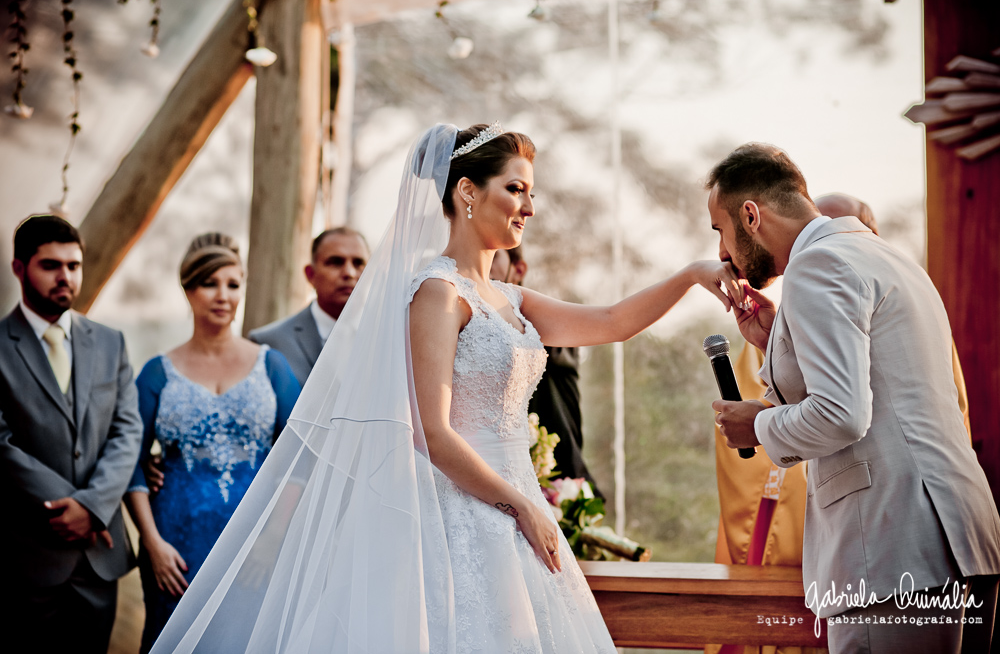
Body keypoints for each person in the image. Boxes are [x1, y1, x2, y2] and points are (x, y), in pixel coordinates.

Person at [146, 123, 739, 653]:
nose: (530, 206)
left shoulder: (509, 299)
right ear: (467, 192)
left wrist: (693, 275)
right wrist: (521, 507)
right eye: (517, 189)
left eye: (532, 192)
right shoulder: (437, 291)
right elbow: (432, 431)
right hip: (463, 510)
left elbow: (612, 322)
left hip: (516, 507)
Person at [707, 143, 1000, 653]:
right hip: (957, 539)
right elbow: (883, 390)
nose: (722, 254)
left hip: (891, 549)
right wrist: (773, 339)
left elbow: (841, 416)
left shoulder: (816, 264)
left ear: (750, 215)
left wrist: (756, 425)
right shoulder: (887, 257)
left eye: (720, 231)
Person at [123, 233, 299, 653]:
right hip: (176, 543)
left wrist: (273, 537)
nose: (223, 296)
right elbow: (128, 461)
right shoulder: (155, 373)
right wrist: (151, 543)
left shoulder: (271, 366)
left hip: (253, 539)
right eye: (209, 284)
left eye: (233, 284)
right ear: (188, 290)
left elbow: (300, 455)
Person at [0, 214, 142, 654]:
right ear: (20, 269)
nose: (66, 277)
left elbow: (127, 429)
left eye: (74, 266)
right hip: (26, 552)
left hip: (98, 553)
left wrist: (93, 507)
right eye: (51, 266)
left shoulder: (110, 342)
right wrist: (69, 509)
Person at [491, 245, 603, 497]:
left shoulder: (538, 327)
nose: (486, 267)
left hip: (561, 483)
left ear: (518, 270)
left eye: (495, 256)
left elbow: (607, 322)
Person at [248, 227, 370, 387]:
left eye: (358, 263)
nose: (349, 273)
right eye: (335, 262)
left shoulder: (394, 337)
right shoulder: (269, 342)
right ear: (310, 274)